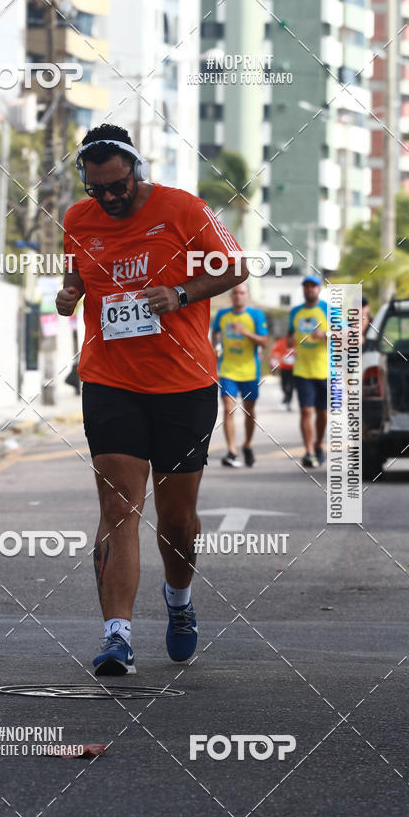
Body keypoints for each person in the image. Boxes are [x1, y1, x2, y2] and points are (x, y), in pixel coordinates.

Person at [56, 124, 248, 675]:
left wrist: (182, 293)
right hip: (110, 379)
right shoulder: (76, 219)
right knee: (119, 508)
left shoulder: (184, 208)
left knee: (177, 520)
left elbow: (236, 265)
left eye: (118, 185)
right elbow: (78, 278)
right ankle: (117, 638)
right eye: (99, 190)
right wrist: (70, 295)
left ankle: (179, 600)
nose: (110, 198)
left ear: (135, 170)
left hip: (183, 384)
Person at [212, 284, 269, 467]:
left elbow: (264, 341)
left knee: (249, 411)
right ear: (231, 296)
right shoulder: (222, 315)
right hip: (227, 370)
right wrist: (215, 349)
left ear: (247, 296)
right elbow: (215, 331)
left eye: (242, 293)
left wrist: (245, 332)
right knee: (228, 408)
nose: (238, 296)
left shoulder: (255, 315)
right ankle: (232, 451)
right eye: (235, 292)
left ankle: (247, 444)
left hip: (249, 371)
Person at [287, 275, 328, 469]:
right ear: (303, 290)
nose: (310, 290)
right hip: (302, 369)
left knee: (322, 413)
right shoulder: (295, 311)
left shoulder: (329, 310)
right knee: (306, 410)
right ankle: (309, 451)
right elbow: (289, 332)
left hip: (325, 370)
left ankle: (319, 445)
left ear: (319, 289)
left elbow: (346, 335)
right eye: (307, 287)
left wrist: (325, 335)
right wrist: (288, 341)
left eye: (313, 287)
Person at [269, 336, 295, 409]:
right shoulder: (281, 342)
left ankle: (289, 400)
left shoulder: (298, 342)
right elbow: (274, 352)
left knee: (292, 386)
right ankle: (286, 395)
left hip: (294, 369)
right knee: (283, 384)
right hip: (284, 367)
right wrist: (279, 357)